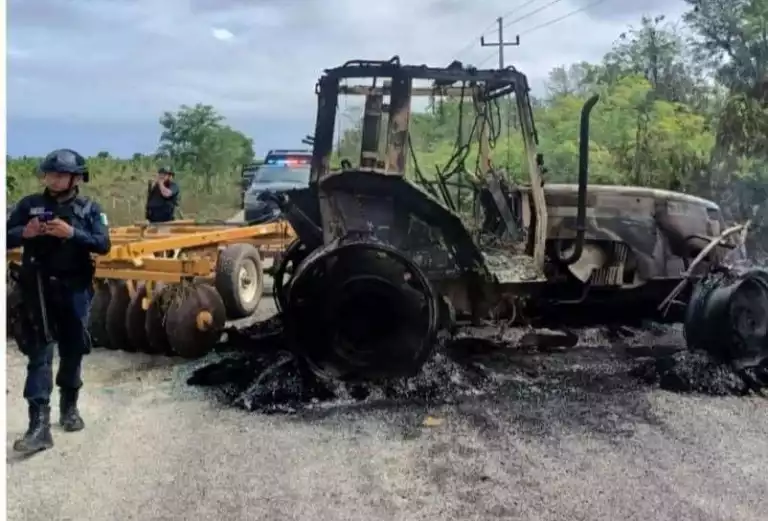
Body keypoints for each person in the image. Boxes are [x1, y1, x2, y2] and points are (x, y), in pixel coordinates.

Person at [6, 148, 111, 455]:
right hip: (37, 288)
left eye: (60, 175)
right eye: (50, 174)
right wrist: (24, 232)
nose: (53, 179)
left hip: (75, 288)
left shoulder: (90, 208)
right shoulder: (29, 205)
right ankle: (38, 426)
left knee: (73, 348)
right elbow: (6, 234)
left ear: (76, 178)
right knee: (39, 353)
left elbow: (103, 243)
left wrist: (72, 233)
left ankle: (70, 407)